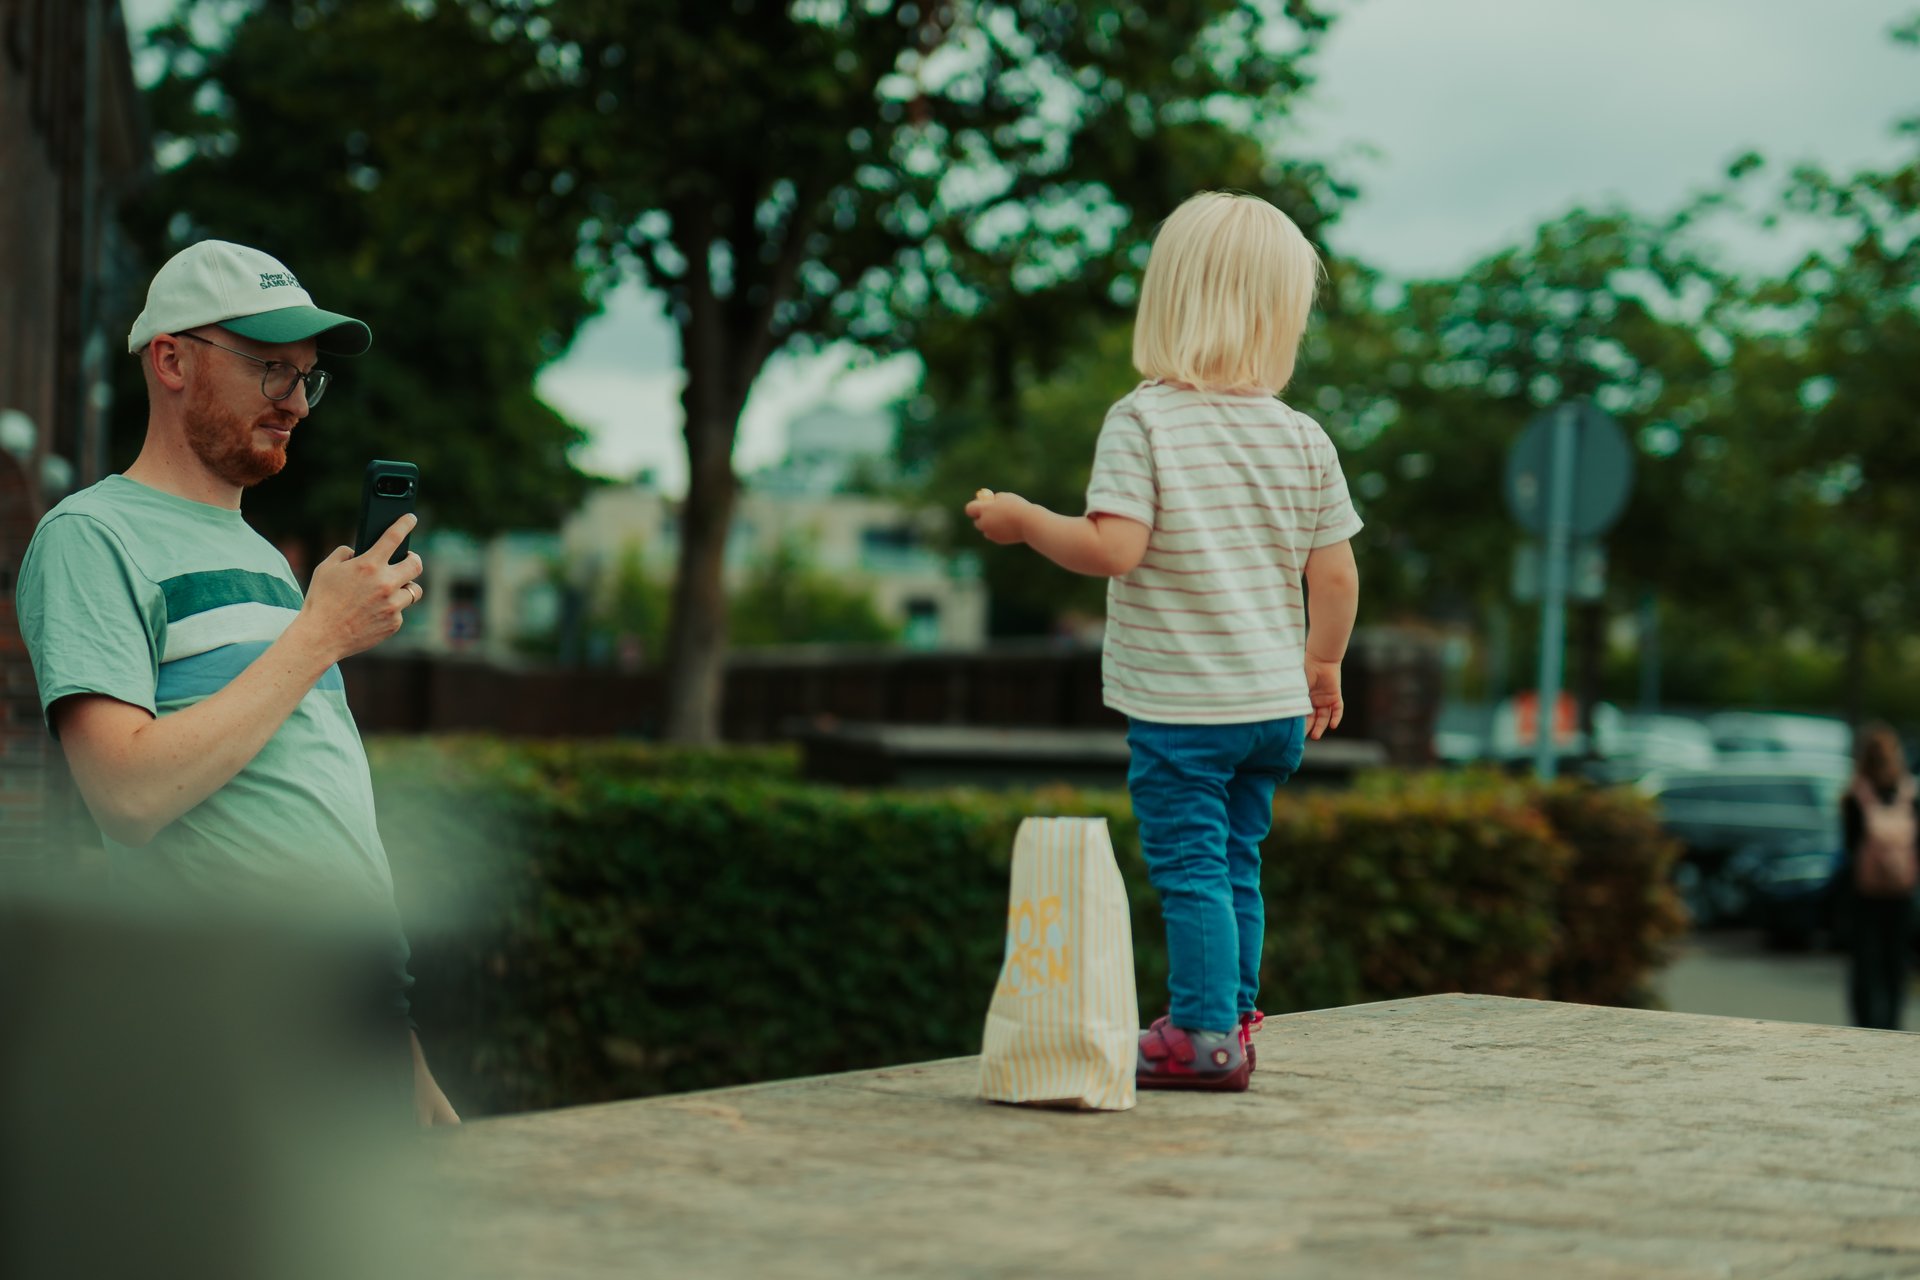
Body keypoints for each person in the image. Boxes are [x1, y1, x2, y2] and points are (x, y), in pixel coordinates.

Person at [15, 239, 459, 1125]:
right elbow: (128, 794)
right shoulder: (91, 537)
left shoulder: (264, 560)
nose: (296, 402)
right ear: (171, 359)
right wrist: (317, 636)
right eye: (269, 369)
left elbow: (309, 820)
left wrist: (404, 1058)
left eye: (306, 377)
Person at [964, 191, 1362, 1091]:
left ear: (1169, 301)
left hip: (1187, 708)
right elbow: (1334, 577)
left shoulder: (1144, 420)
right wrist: (1323, 664)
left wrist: (1028, 521)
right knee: (1235, 864)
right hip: (1272, 710)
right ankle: (1235, 1019)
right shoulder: (1303, 438)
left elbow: (1114, 548)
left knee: (1190, 871)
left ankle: (1202, 1037)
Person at [1838, 722, 1917, 1031]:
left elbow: (1848, 848)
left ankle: (1867, 1026)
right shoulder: (1909, 795)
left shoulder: (1855, 796)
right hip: (1901, 893)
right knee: (1895, 966)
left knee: (1866, 967)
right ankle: (1891, 1027)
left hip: (1864, 895)